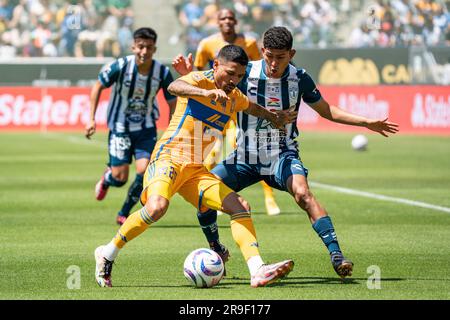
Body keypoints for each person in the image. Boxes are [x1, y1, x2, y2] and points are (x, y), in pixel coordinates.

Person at [173, 26, 399, 279]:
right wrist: (188, 74)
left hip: (282, 154)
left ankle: (337, 255)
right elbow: (215, 80)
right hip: (244, 156)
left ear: (291, 54)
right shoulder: (245, 73)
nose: (273, 63)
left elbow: (326, 110)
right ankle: (216, 248)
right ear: (262, 52)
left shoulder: (299, 78)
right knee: (205, 193)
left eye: (280, 57)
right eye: (269, 56)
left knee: (303, 194)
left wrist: (365, 122)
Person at [94, 44, 298, 288]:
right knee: (157, 207)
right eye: (230, 73)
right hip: (168, 158)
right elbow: (174, 86)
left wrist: (275, 118)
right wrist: (205, 94)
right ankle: (107, 254)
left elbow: (251, 107)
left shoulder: (233, 98)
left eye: (240, 76)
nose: (234, 80)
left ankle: (257, 270)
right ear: (216, 66)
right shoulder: (198, 81)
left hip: (195, 171)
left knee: (240, 206)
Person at [174, 8, 282, 216]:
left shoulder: (249, 44)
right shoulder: (206, 44)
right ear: (217, 21)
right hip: (214, 105)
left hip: (239, 106)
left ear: (236, 22)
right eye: (223, 18)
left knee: (246, 151)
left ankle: (270, 199)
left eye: (231, 18)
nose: (227, 21)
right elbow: (198, 74)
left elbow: (260, 71)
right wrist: (188, 74)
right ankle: (219, 197)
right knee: (210, 154)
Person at [85, 27, 177, 225]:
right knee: (120, 178)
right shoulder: (120, 66)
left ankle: (124, 211)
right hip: (120, 128)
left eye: (149, 48)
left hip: (146, 129)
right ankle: (109, 178)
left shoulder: (162, 72)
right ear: (133, 46)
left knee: (144, 172)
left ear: (155, 49)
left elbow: (172, 102)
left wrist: (172, 130)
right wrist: (91, 118)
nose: (144, 51)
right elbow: (97, 86)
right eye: (141, 47)